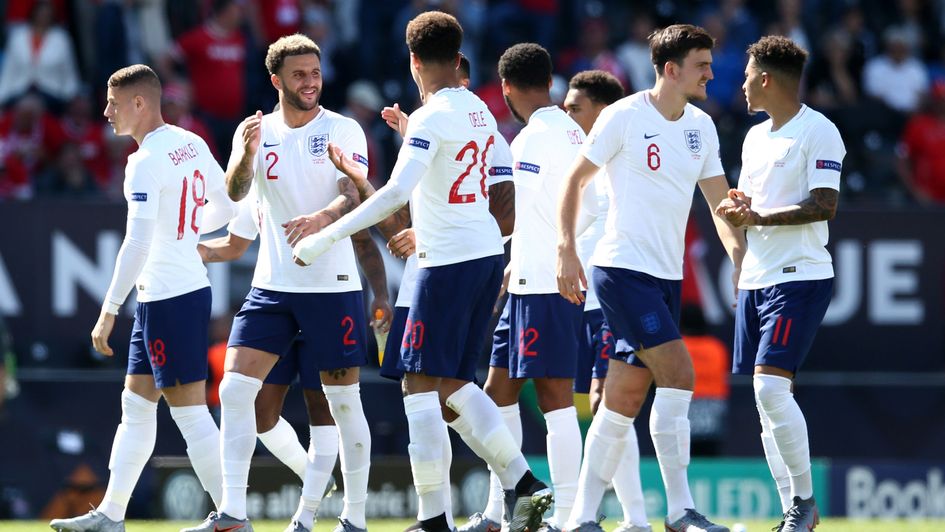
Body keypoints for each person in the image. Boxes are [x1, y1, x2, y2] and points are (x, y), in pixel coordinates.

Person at [292, 12, 551, 532]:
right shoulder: (479, 111)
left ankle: (437, 517)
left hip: (448, 261)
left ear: (413, 62)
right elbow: (487, 188)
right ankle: (525, 485)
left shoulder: (432, 118)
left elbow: (395, 193)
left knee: (417, 386)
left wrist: (325, 236)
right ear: (458, 60)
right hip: (483, 255)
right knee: (453, 382)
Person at [556, 24, 746, 532]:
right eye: (702, 65)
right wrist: (567, 249)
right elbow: (574, 181)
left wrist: (740, 256)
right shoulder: (623, 116)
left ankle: (580, 518)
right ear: (670, 69)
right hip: (621, 270)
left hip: (663, 276)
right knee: (681, 374)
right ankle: (681, 511)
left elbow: (719, 201)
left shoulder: (702, 127)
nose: (710, 72)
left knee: (621, 398)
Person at [182, 34, 373, 532]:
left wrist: (320, 218)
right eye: (299, 75)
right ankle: (233, 514)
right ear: (276, 81)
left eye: (315, 72)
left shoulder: (344, 128)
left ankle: (353, 516)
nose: (310, 82)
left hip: (331, 284)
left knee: (341, 402)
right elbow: (239, 196)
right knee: (237, 390)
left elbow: (354, 194)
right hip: (272, 288)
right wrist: (243, 159)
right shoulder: (255, 132)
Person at [49, 64, 238, 532]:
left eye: (113, 103)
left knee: (191, 412)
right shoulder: (191, 142)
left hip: (169, 295)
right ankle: (112, 514)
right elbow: (226, 205)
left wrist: (108, 309)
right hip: (176, 291)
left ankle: (233, 516)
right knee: (136, 406)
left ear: (139, 103)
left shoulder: (144, 161)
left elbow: (135, 244)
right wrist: (187, 229)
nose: (106, 112)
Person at [371, 54, 516, 532]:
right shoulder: (430, 128)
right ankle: (454, 508)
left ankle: (482, 496)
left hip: (451, 265)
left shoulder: (482, 130)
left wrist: (429, 235)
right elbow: (428, 197)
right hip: (423, 274)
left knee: (434, 389)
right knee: (437, 392)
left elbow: (501, 209)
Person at [198, 183, 393, 532]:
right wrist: (183, 251)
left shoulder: (328, 168)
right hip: (275, 296)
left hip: (331, 296)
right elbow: (233, 243)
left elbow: (363, 239)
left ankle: (323, 515)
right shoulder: (260, 173)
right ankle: (294, 481)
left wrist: (380, 293)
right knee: (254, 408)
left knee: (333, 408)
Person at [716, 35, 845, 532]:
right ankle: (794, 511)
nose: (742, 84)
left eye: (748, 75)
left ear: (766, 79)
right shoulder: (753, 137)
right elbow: (748, 204)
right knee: (762, 396)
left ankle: (805, 503)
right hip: (756, 278)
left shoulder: (820, 131)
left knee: (771, 390)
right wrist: (738, 214)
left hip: (800, 277)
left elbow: (824, 205)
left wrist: (759, 218)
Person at [463, 42, 585, 532]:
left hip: (543, 283)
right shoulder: (571, 132)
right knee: (496, 394)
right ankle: (502, 510)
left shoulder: (535, 138)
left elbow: (512, 210)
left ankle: (571, 515)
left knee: (555, 395)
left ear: (507, 88)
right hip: (528, 280)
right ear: (549, 80)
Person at [563, 70, 651, 532]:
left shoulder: (616, 156)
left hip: (611, 293)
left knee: (607, 401)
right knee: (604, 403)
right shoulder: (591, 157)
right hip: (591, 297)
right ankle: (631, 517)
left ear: (603, 111)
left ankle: (622, 516)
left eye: (575, 107)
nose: (567, 113)